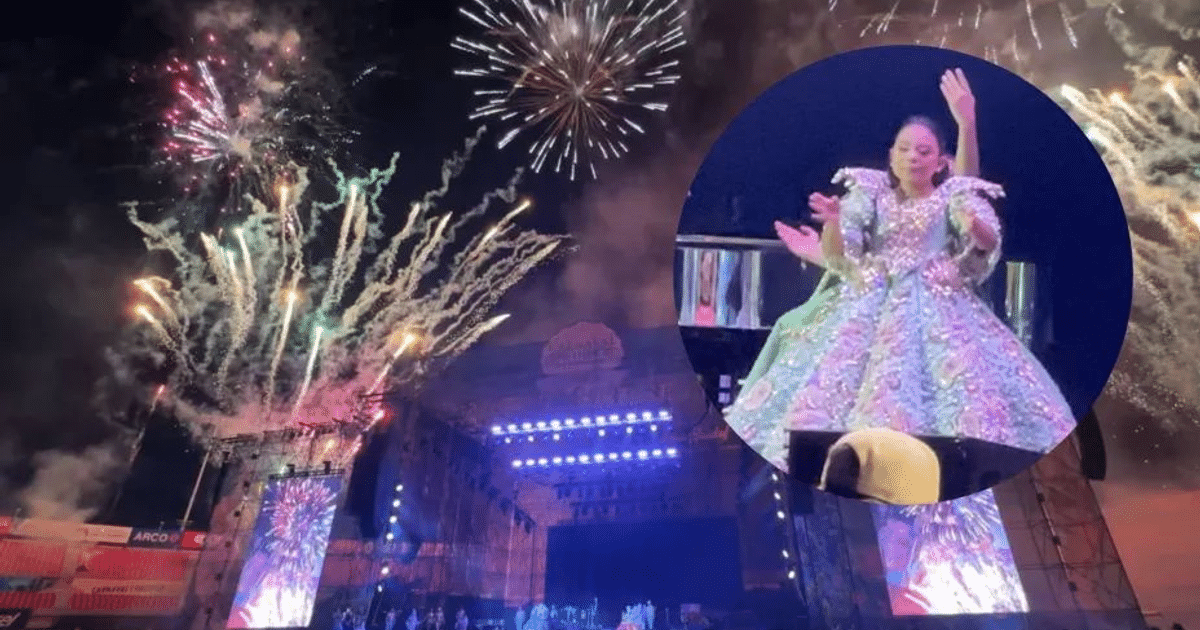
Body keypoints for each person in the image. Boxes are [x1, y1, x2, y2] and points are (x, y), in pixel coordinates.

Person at [724, 68, 1075, 499]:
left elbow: (972, 210)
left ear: (940, 161)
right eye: (904, 148)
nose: (912, 157)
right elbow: (842, 256)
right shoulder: (870, 194)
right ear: (890, 155)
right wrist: (832, 225)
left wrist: (967, 123)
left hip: (937, 302)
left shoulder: (949, 197)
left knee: (955, 391)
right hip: (870, 300)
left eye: (924, 150)